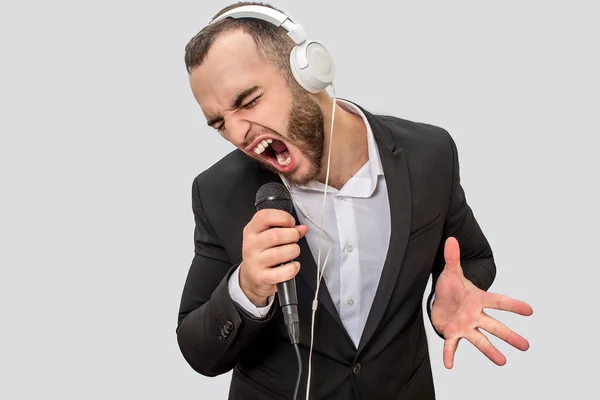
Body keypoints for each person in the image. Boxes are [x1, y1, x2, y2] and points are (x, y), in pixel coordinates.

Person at [176, 2, 533, 399]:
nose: (239, 133)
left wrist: (444, 298)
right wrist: (246, 288)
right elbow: (199, 352)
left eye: (247, 101)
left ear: (308, 69)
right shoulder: (218, 191)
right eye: (220, 123)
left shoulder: (430, 155)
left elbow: (472, 258)